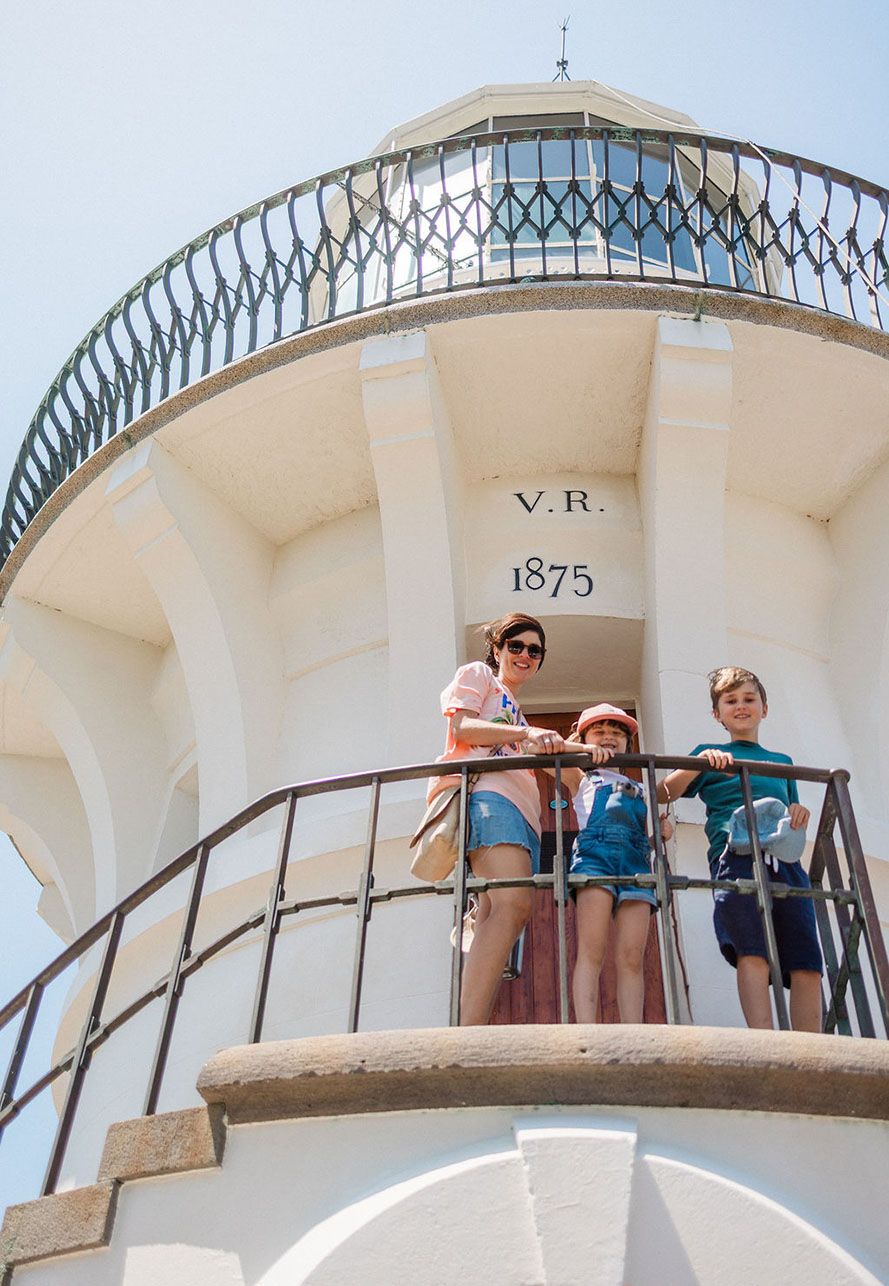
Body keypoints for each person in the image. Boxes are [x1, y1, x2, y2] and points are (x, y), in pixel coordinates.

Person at [657, 666, 823, 1032]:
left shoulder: (782, 763)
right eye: (730, 700)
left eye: (749, 699)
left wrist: (800, 813)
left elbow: (790, 811)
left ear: (765, 708)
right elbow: (663, 793)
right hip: (735, 856)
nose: (741, 706)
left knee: (805, 959)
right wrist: (699, 764)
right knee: (752, 950)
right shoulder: (708, 753)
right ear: (718, 714)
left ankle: (813, 1047)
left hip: (784, 858)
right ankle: (764, 1041)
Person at [432, 612, 565, 1025]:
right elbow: (463, 726)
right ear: (497, 649)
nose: (525, 654)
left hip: (525, 815)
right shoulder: (479, 676)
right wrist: (527, 735)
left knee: (496, 913)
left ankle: (470, 1026)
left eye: (535, 650)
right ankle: (466, 1032)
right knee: (512, 906)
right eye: (516, 645)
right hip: (493, 801)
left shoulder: (517, 711)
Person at [556, 704, 669, 1024]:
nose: (609, 738)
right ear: (585, 737)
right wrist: (581, 748)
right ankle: (586, 1032)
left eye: (617, 733)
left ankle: (633, 1032)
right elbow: (537, 750)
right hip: (594, 861)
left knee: (633, 957)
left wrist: (660, 830)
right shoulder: (580, 778)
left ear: (628, 743)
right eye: (599, 732)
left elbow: (648, 827)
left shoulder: (644, 788)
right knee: (591, 950)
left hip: (636, 864)